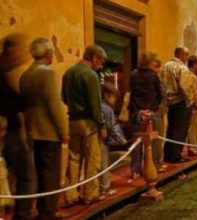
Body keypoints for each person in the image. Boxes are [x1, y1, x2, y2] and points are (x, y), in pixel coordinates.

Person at [19, 37, 69, 219]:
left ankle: (41, 210)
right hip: (48, 132)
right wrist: (64, 131)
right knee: (50, 174)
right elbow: (54, 105)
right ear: (48, 53)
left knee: (39, 173)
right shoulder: (47, 73)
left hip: (32, 131)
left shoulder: (26, 75)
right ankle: (49, 211)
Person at [62, 45, 107, 205]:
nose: (101, 66)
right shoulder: (90, 75)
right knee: (92, 159)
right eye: (100, 61)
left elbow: (63, 98)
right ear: (94, 57)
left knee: (73, 160)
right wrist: (101, 125)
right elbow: (95, 104)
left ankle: (71, 195)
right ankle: (90, 194)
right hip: (88, 122)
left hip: (72, 120)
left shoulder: (68, 73)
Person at [0, 33, 37, 220]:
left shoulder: (10, 73)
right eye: (21, 50)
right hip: (8, 135)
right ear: (10, 51)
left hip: (11, 134)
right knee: (25, 178)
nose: (23, 56)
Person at [130, 51, 163, 175]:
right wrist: (152, 108)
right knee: (152, 142)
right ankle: (153, 166)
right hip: (150, 112)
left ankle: (135, 170)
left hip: (137, 112)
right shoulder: (153, 76)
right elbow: (159, 94)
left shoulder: (133, 74)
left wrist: (138, 109)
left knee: (137, 142)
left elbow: (131, 93)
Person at [163, 47, 193, 163]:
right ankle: (176, 155)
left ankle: (168, 154)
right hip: (180, 101)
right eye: (186, 56)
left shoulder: (165, 66)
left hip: (169, 101)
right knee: (180, 130)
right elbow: (185, 87)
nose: (187, 59)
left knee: (171, 128)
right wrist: (189, 101)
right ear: (182, 55)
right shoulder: (181, 67)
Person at [99, 82, 125, 199]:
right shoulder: (106, 109)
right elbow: (111, 127)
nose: (115, 100)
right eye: (113, 96)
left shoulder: (97, 106)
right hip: (102, 141)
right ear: (106, 95)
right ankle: (105, 188)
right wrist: (120, 140)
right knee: (103, 164)